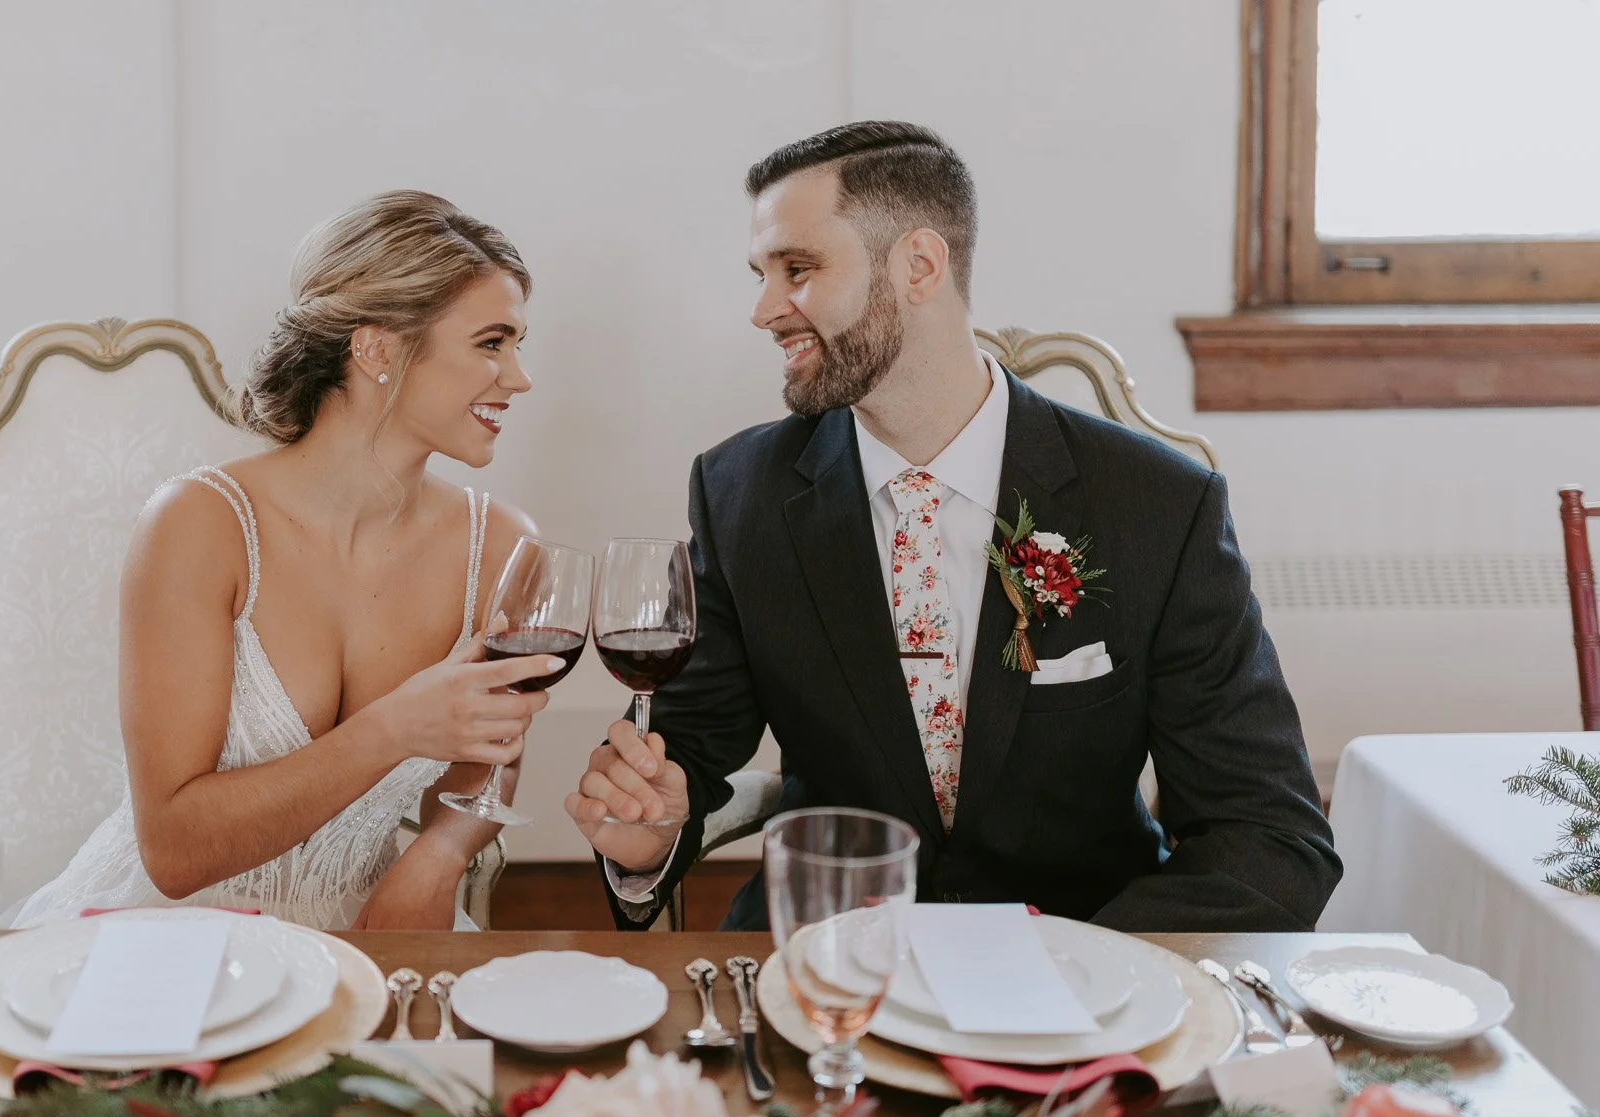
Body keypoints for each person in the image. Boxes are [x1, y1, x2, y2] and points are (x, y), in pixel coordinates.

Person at [566, 122, 1339, 933]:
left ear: (919, 266)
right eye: (761, 274)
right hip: (827, 960)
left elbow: (1270, 835)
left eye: (797, 269)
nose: (764, 310)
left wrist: (1085, 968)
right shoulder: (740, 496)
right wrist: (648, 828)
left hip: (1083, 980)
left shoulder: (1159, 506)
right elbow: (683, 749)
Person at [14, 191, 555, 931]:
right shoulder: (200, 526)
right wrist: (395, 727)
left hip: (375, 930)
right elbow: (173, 853)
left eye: (517, 344)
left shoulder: (500, 546)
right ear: (378, 349)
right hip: (171, 936)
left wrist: (439, 854)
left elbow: (490, 751)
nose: (518, 377)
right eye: (492, 343)